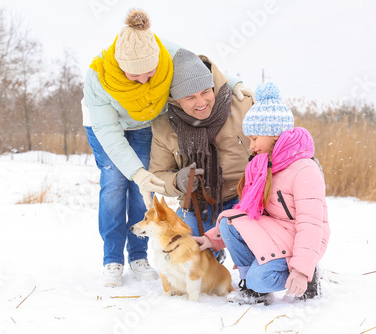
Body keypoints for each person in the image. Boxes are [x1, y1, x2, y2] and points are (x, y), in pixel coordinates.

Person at [82, 9, 253, 287]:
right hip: (108, 126)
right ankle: (112, 258)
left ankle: (139, 255)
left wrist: (233, 83)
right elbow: (107, 131)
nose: (144, 81)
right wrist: (135, 172)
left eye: (150, 73)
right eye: (134, 75)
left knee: (146, 190)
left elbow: (199, 68)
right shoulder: (98, 76)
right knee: (115, 184)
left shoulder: (165, 51)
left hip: (149, 123)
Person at [195, 82, 331, 304]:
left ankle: (310, 275)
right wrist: (212, 239)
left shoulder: (304, 170)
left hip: (301, 238)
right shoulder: (261, 166)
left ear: (275, 135)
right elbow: (244, 212)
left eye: (255, 139)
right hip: (276, 232)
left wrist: (302, 269)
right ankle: (253, 287)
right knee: (229, 221)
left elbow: (311, 225)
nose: (251, 146)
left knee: (262, 279)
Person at [148, 48, 253, 258]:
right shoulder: (164, 126)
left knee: (255, 251)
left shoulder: (243, 105)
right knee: (186, 257)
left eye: (206, 91)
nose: (201, 102)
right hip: (200, 204)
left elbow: (278, 141)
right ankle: (213, 250)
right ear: (176, 100)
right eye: (190, 97)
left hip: (245, 197)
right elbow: (157, 175)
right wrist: (178, 181)